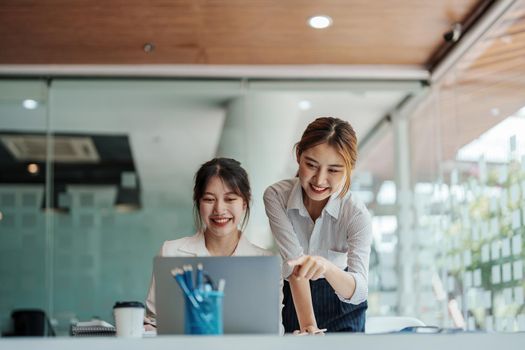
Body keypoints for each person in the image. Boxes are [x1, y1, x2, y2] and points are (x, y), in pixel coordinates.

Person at [263, 117, 372, 334]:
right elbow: (294, 264)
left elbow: (359, 291)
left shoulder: (356, 214)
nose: (319, 180)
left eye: (333, 170)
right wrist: (309, 327)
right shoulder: (276, 196)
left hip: (343, 300)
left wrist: (326, 266)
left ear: (350, 168)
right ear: (298, 156)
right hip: (296, 297)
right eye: (311, 165)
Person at [144, 158, 272, 329]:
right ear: (198, 203)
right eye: (209, 199)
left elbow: (272, 328)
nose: (219, 209)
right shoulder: (171, 252)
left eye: (230, 199)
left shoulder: (266, 262)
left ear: (244, 203)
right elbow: (153, 321)